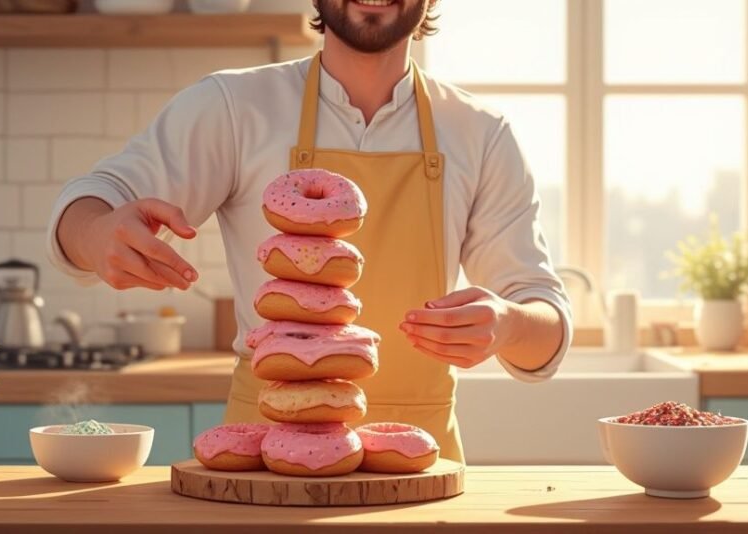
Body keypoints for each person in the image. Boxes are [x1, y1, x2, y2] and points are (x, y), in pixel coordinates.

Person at [47, 0, 572, 463]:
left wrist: (508, 323)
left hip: (417, 466)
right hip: (265, 457)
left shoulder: (480, 132)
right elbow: (99, 196)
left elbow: (543, 320)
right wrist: (96, 233)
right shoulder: (233, 107)